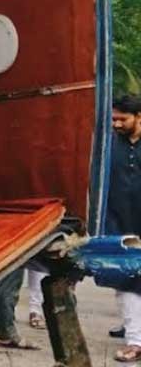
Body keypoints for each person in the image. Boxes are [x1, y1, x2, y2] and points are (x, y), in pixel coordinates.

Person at [108, 95, 141, 363]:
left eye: (122, 119)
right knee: (127, 282)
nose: (116, 124)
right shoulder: (108, 145)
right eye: (114, 118)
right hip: (121, 226)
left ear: (139, 117)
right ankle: (135, 341)